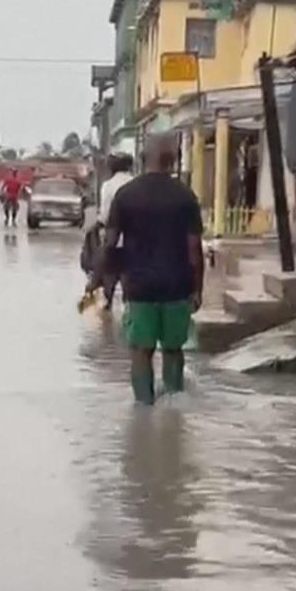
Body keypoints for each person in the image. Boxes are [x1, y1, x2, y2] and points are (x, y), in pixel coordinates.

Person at [92, 135, 204, 405]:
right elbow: (194, 249)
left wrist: (103, 279)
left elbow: (111, 243)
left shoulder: (126, 195)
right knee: (174, 349)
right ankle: (174, 408)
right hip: (177, 286)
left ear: (143, 159)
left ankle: (143, 408)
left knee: (141, 351)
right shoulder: (185, 196)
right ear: (174, 160)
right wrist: (198, 289)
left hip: (139, 286)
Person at [87, 153, 135, 309]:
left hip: (113, 240)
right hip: (135, 241)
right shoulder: (137, 183)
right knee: (129, 278)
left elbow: (105, 215)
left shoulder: (108, 185)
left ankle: (106, 306)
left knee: (109, 274)